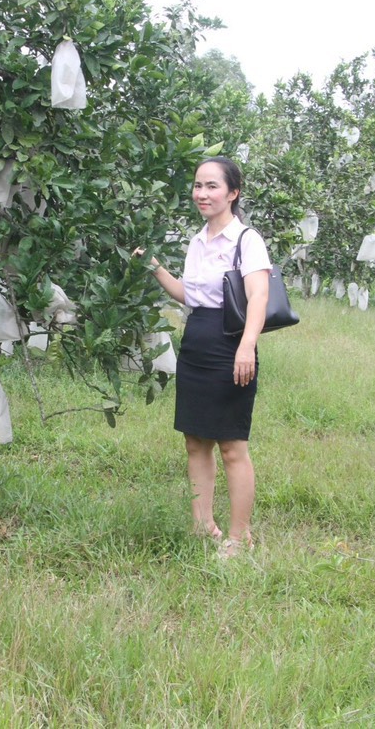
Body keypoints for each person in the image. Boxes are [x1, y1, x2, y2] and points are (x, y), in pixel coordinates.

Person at [137, 157, 270, 559]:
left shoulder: (246, 239)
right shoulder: (197, 240)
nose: (202, 194)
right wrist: (156, 268)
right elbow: (190, 297)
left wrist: (247, 345)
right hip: (195, 339)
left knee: (232, 444)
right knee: (196, 441)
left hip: (230, 343)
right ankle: (202, 525)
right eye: (198, 186)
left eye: (212, 186)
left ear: (233, 193)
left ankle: (238, 536)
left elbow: (258, 297)